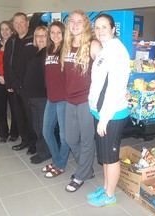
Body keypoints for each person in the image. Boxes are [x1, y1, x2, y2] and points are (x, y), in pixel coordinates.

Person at [87, 14, 130, 207]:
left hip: (111, 115)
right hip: (102, 112)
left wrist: (104, 119)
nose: (101, 30)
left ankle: (110, 195)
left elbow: (114, 88)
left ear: (113, 29)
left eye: (105, 26)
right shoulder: (106, 50)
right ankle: (105, 188)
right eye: (97, 27)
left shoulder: (117, 51)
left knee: (111, 157)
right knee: (104, 156)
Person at [61, 10, 102, 192]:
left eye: (79, 21)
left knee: (86, 140)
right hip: (70, 100)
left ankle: (80, 176)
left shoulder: (93, 45)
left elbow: (106, 72)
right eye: (72, 21)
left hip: (87, 100)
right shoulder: (67, 44)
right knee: (70, 139)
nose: (75, 24)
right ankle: (87, 169)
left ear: (85, 24)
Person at [3, 12, 36, 155]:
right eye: (16, 23)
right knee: (19, 115)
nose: (18, 25)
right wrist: (8, 83)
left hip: (30, 87)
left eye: (21, 22)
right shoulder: (11, 41)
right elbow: (6, 63)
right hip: (15, 86)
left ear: (27, 23)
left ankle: (34, 143)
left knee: (31, 116)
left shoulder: (34, 39)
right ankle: (25, 141)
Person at [42, 21, 70, 176]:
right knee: (46, 131)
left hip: (64, 99)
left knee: (64, 136)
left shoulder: (66, 51)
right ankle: (58, 160)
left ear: (64, 33)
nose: (55, 35)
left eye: (58, 32)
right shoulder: (49, 50)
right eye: (52, 32)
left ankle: (60, 165)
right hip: (51, 97)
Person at [23, 26, 51, 164]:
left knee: (42, 128)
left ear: (49, 37)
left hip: (42, 97)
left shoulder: (48, 54)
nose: (40, 38)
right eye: (38, 36)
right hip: (33, 96)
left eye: (44, 35)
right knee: (37, 126)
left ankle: (45, 153)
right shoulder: (37, 52)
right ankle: (42, 150)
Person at [0, 21, 19, 143]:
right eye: (2, 29)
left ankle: (15, 133)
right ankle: (3, 133)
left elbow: (16, 65)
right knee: (0, 108)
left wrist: (9, 79)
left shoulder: (16, 44)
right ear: (0, 31)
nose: (5, 32)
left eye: (7, 29)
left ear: (12, 30)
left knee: (14, 108)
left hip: (11, 82)